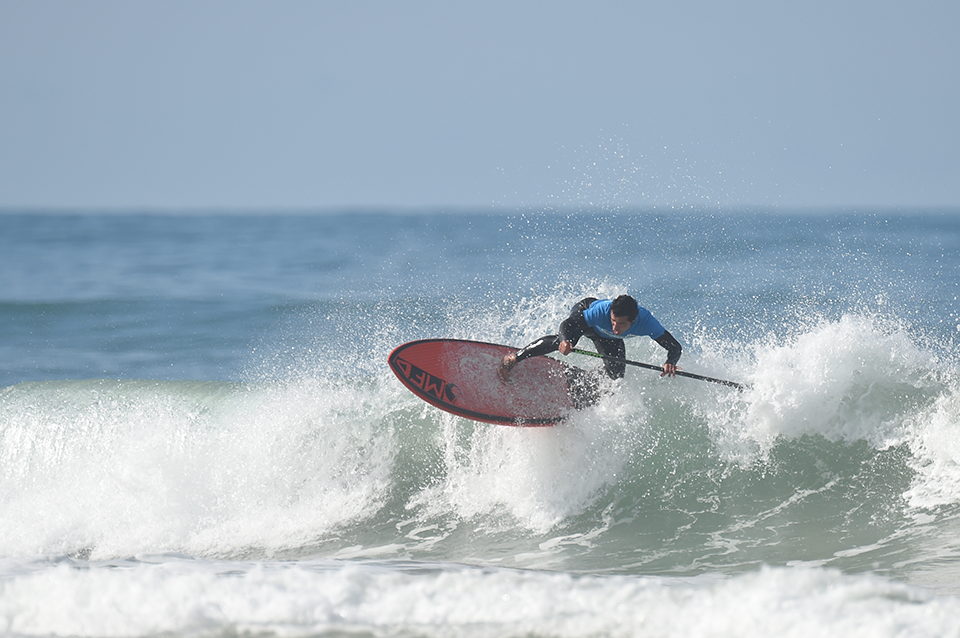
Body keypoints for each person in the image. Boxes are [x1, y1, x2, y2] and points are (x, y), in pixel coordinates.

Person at [499, 294, 682, 383]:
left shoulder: (647, 322)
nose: (615, 327)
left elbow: (674, 347)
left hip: (605, 337)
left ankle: (587, 380)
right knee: (565, 342)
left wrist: (670, 362)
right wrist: (565, 340)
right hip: (584, 318)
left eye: (621, 324)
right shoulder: (599, 312)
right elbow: (568, 324)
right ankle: (514, 359)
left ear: (633, 321)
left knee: (616, 376)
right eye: (613, 321)